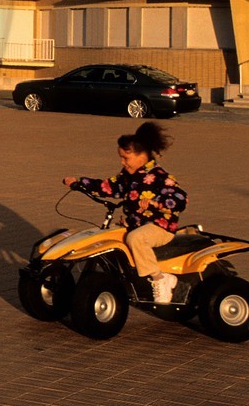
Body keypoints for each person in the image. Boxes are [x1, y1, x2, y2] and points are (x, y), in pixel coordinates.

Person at [64, 120, 188, 303]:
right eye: (121, 157)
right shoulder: (128, 176)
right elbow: (108, 187)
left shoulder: (161, 177)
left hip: (160, 227)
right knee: (107, 236)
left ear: (142, 156)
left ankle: (160, 279)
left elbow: (180, 199)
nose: (122, 162)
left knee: (135, 238)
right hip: (135, 224)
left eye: (126, 158)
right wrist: (79, 183)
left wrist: (155, 203)